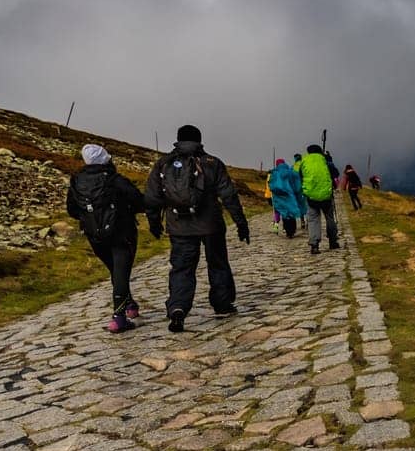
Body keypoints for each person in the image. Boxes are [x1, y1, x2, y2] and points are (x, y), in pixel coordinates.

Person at [144, 124, 249, 332]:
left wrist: (154, 223)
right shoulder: (212, 163)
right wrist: (241, 223)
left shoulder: (163, 164)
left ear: (178, 139)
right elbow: (228, 195)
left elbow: (152, 198)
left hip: (179, 227)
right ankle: (222, 304)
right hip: (211, 225)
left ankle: (178, 308)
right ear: (200, 140)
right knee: (218, 264)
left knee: (182, 268)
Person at [66, 144, 147, 333]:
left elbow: (71, 209)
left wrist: (91, 219)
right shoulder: (115, 179)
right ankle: (119, 318)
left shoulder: (77, 181)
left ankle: (130, 305)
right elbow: (139, 201)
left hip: (94, 236)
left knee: (115, 270)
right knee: (120, 271)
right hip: (121, 232)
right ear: (106, 159)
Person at [298, 143, 339, 254]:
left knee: (313, 219)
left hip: (311, 196)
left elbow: (300, 177)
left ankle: (314, 245)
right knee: (330, 217)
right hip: (326, 195)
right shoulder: (325, 160)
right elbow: (336, 173)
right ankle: (333, 241)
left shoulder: (304, 161)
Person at [268, 157, 307, 238]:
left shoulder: (274, 173)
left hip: (279, 197)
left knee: (285, 214)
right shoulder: (290, 172)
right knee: (291, 213)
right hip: (290, 196)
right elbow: (297, 185)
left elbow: (271, 186)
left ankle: (287, 230)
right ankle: (292, 231)